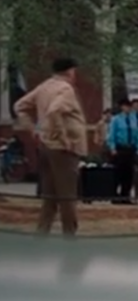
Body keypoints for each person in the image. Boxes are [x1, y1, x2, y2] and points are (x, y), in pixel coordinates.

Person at [14, 57, 87, 237]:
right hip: (64, 149)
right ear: (70, 71)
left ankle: (42, 233)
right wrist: (63, 137)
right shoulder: (66, 89)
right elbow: (54, 111)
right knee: (67, 196)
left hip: (46, 146)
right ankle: (69, 236)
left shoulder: (44, 87)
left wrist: (33, 129)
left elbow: (19, 106)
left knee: (50, 196)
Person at [106, 98, 138, 204]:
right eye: (126, 106)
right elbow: (111, 135)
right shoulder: (116, 119)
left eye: (129, 106)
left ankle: (125, 195)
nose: (128, 108)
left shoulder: (134, 120)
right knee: (118, 173)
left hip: (131, 148)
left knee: (129, 174)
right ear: (122, 107)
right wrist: (112, 148)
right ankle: (115, 196)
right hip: (120, 148)